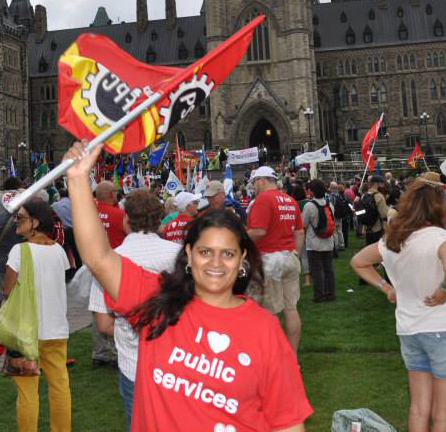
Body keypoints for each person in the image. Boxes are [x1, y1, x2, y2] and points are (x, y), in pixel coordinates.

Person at [66, 142, 312, 432]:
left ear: (242, 259)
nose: (216, 263)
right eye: (206, 251)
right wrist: (78, 178)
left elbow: (287, 423)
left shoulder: (265, 330)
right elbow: (98, 257)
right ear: (189, 255)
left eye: (228, 253)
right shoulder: (158, 304)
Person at [351, 179, 446, 432]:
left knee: (419, 408)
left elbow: (358, 261)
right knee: (444, 414)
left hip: (410, 330)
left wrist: (387, 288)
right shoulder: (444, 239)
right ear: (439, 208)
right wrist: (444, 289)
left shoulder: (393, 241)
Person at [88, 190, 183, 428]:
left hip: (134, 363)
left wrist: (131, 330)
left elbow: (103, 323)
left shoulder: (110, 260)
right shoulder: (179, 256)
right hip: (176, 360)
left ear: (126, 220)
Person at [3, 199, 71, 432]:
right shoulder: (59, 250)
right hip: (56, 329)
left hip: (26, 333)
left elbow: (7, 289)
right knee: (59, 386)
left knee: (27, 392)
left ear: (36, 222)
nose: (16, 222)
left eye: (21, 218)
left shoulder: (19, 251)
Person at [246, 165, 305, 353]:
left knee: (267, 312)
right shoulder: (289, 200)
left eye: (255, 182)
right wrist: (295, 251)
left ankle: (271, 360)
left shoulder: (262, 200)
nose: (254, 186)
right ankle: (292, 357)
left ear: (262, 181)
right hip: (290, 258)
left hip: (269, 260)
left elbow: (258, 231)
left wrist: (236, 238)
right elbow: (300, 232)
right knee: (290, 309)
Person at [302, 179, 335, 303]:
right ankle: (330, 294)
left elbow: (304, 224)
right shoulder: (329, 204)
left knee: (316, 271)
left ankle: (319, 296)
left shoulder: (309, 206)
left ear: (312, 191)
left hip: (314, 243)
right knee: (328, 269)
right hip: (328, 242)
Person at [96, 180, 128, 248]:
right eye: (115, 192)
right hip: (117, 254)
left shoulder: (90, 212)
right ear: (111, 195)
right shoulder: (120, 214)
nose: (116, 194)